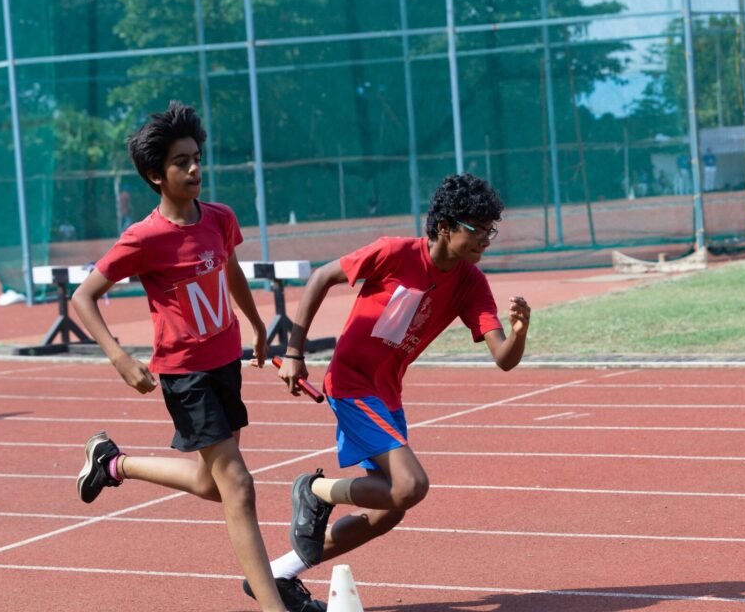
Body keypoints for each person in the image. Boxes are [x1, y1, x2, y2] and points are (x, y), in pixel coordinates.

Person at [68, 102, 299, 612]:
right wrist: (120, 358)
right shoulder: (144, 238)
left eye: (197, 158)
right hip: (186, 375)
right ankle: (272, 607)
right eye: (181, 162)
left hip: (226, 364)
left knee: (209, 482)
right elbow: (82, 297)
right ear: (156, 175)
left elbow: (231, 271)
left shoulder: (219, 218)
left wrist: (258, 326)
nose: (195, 169)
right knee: (237, 484)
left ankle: (112, 464)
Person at [265, 173, 531, 604]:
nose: (486, 239)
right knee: (411, 486)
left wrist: (519, 333)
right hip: (351, 383)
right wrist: (294, 353)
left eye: (490, 230)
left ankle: (279, 573)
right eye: (477, 229)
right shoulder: (393, 252)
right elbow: (319, 278)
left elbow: (504, 359)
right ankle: (313, 490)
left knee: (389, 510)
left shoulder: (470, 283)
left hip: (387, 395)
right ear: (445, 226)